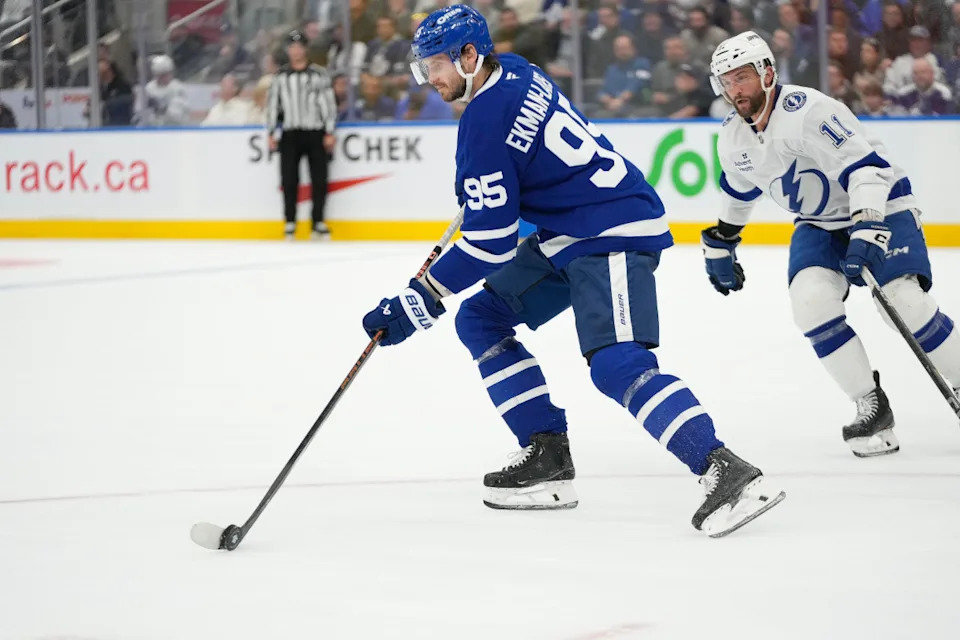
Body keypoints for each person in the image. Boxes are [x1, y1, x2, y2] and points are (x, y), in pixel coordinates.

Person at [361, 5, 785, 537]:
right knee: (482, 319)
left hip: (610, 228)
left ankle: (726, 471)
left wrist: (422, 296)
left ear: (469, 56)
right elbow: (525, 176)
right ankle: (547, 456)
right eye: (424, 68)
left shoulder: (482, 127)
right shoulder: (515, 68)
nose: (432, 78)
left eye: (437, 65)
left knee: (616, 365)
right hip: (569, 229)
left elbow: (490, 244)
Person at [701, 31, 960, 458]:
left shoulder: (810, 111)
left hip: (883, 205)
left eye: (742, 77)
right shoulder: (732, 136)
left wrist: (867, 227)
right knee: (811, 302)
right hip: (820, 223)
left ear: (767, 72)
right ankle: (870, 404)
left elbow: (866, 171)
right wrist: (723, 240)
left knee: (901, 302)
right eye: (726, 81)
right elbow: (739, 191)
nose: (735, 90)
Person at [266, 30, 338, 241]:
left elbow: (328, 104)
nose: (296, 51)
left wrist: (329, 130)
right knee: (289, 179)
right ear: (288, 50)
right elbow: (273, 106)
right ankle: (290, 221)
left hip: (315, 131)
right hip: (290, 132)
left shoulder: (318, 74)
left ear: (305, 49)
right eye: (292, 47)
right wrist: (271, 131)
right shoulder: (280, 77)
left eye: (299, 46)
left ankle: (318, 222)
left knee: (319, 179)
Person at [140, 55, 188, 126]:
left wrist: (164, 109)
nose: (163, 78)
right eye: (160, 75)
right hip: (153, 129)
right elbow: (140, 113)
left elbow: (180, 115)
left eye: (166, 74)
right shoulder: (149, 88)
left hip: (173, 129)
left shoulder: (177, 88)